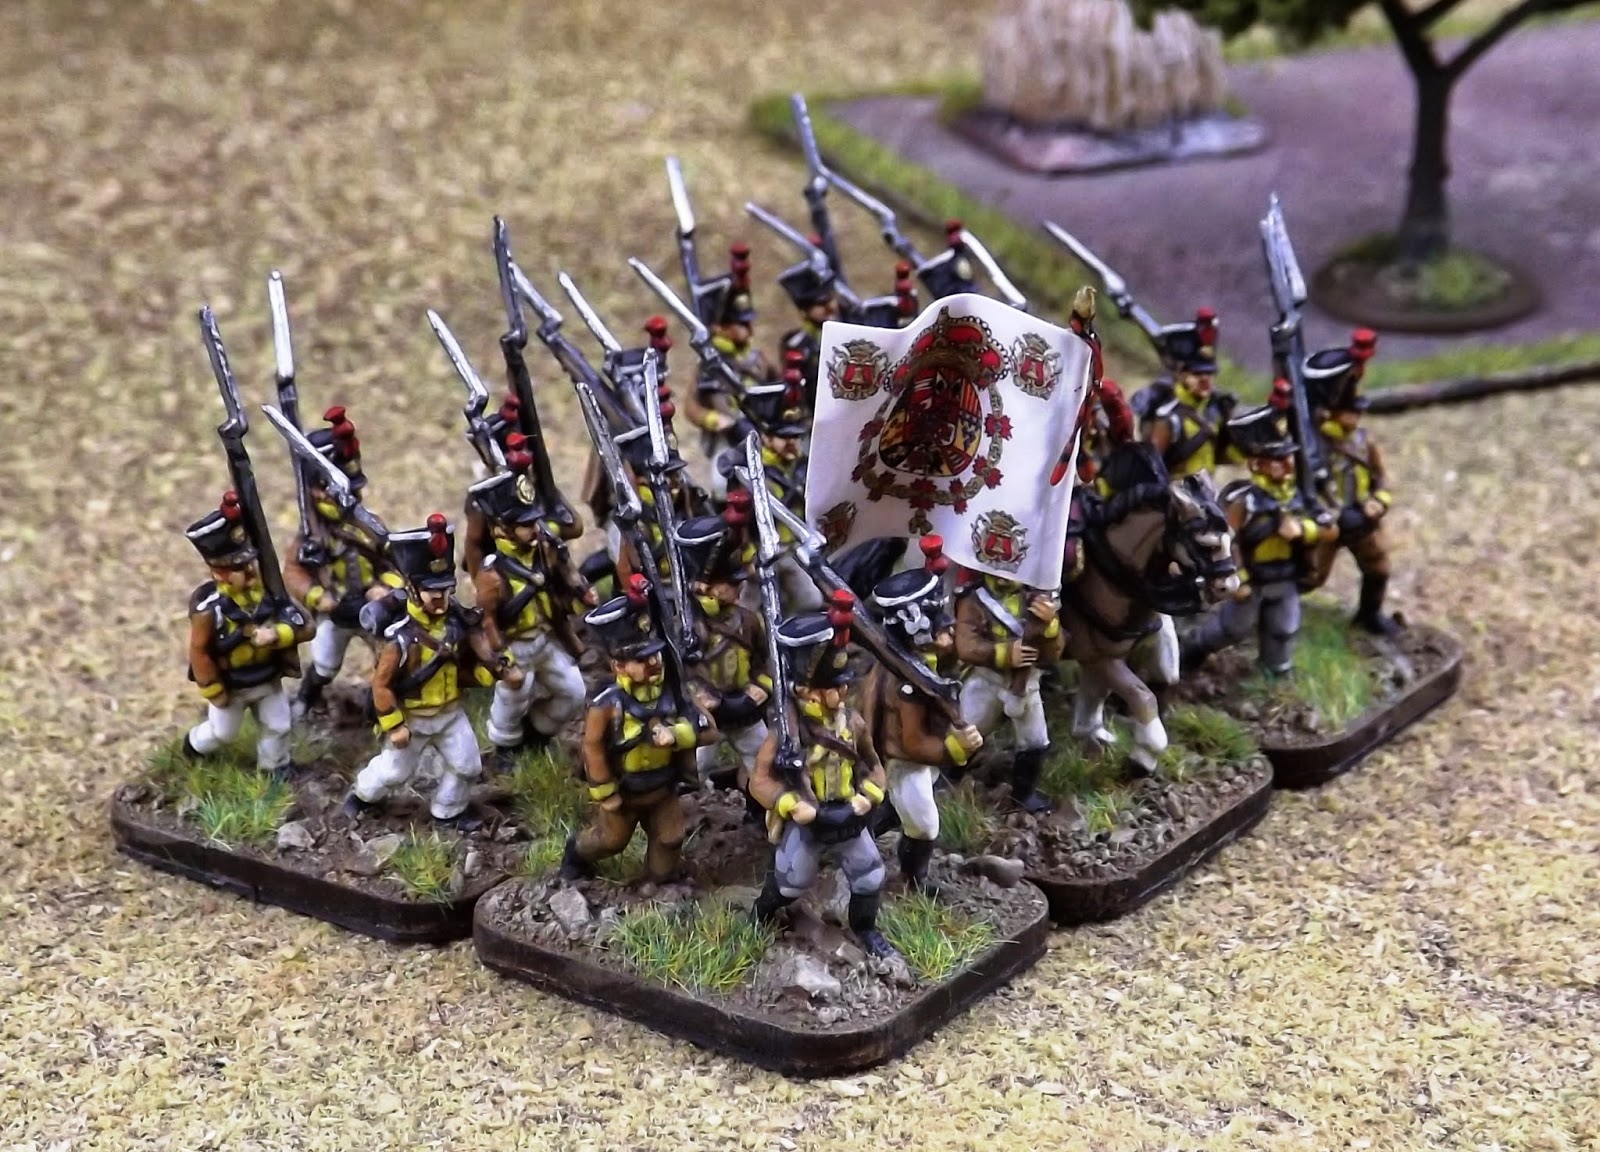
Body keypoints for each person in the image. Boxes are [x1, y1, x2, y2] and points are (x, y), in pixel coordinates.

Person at [345, 515, 523, 823]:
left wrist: (491, 672)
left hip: (450, 713)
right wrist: (395, 725)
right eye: (432, 590)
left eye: (445, 589)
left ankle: (448, 811)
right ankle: (361, 796)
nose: (440, 597)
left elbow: (472, 660)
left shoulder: (457, 623)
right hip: (414, 718)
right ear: (414, 590)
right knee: (394, 772)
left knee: (468, 766)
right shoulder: (401, 639)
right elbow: (381, 685)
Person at [749, 592, 898, 959]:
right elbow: (759, 780)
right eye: (834, 687)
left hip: (848, 814)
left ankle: (865, 929)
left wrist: (868, 796)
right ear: (807, 691)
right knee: (790, 882)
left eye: (843, 685)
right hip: (809, 818)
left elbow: (874, 765)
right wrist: (789, 803)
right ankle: (759, 916)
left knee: (869, 875)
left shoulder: (853, 724)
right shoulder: (786, 734)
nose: (843, 691)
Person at [559, 577, 706, 887]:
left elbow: (707, 730)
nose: (653, 662)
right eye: (641, 659)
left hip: (663, 787)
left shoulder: (675, 692)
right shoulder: (607, 705)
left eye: (655, 654)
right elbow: (593, 747)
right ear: (619, 666)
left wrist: (676, 735)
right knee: (611, 840)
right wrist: (605, 791)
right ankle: (576, 855)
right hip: (625, 790)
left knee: (670, 838)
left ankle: (657, 883)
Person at [1182, 402, 1338, 677]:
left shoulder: (1300, 496)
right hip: (1253, 579)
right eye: (1278, 459)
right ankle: (1193, 651)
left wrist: (1303, 530)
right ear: (1257, 464)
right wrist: (1239, 577)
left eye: (1288, 457)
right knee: (1233, 629)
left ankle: (1276, 670)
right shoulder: (1244, 501)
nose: (1288, 464)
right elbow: (1226, 540)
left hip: (1287, 575)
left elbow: (1330, 529)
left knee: (1284, 628)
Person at [862, 541, 983, 895]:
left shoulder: (920, 665)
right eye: (941, 629)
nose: (949, 633)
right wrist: (956, 749)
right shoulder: (906, 685)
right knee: (925, 826)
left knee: (896, 809)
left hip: (919, 761)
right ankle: (913, 879)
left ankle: (865, 832)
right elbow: (912, 742)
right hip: (905, 762)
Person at [281, 406, 402, 716]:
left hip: (372, 608)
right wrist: (317, 596)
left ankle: (382, 710)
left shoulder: (369, 526)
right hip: (335, 611)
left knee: (389, 658)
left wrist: (385, 588)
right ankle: (305, 700)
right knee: (324, 665)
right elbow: (293, 572)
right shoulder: (311, 535)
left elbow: (395, 563)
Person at [183, 493, 314, 775]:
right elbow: (199, 652)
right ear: (220, 573)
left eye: (249, 562)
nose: (250, 570)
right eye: (239, 567)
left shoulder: (271, 594)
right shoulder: (211, 611)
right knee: (222, 734)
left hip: (267, 677)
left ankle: (273, 769)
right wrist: (214, 690)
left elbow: (306, 627)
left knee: (278, 725)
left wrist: (277, 634)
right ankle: (193, 746)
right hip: (232, 684)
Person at [469, 468, 591, 768]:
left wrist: (582, 593)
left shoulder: (544, 551)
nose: (534, 528)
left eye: (533, 521)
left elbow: (566, 577)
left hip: (546, 639)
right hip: (515, 646)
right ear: (502, 529)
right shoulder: (492, 575)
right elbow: (488, 622)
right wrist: (504, 659)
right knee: (514, 694)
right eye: (524, 524)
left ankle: (537, 734)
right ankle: (505, 746)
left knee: (574, 691)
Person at [1301, 330, 1398, 635]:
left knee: (1378, 567)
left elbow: (1381, 479)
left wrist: (1378, 502)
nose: (1356, 417)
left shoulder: (1363, 443)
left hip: (1360, 517)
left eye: (1358, 412)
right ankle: (1273, 609)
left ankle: (1370, 615)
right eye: (1350, 412)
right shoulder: (1312, 443)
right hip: (1327, 522)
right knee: (1311, 577)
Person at [674, 513, 771, 802]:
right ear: (707, 588)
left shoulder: (748, 621)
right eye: (730, 582)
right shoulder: (688, 629)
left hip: (745, 708)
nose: (739, 587)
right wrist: (700, 697)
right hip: (708, 715)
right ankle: (697, 808)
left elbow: (765, 661)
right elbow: (681, 675)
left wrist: (760, 687)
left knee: (763, 761)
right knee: (696, 767)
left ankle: (758, 807)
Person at [954, 570, 1065, 813]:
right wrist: (1004, 654)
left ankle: (1023, 794)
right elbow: (966, 646)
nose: (1004, 576)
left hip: (1026, 685)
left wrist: (1050, 627)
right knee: (965, 730)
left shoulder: (1038, 600)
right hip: (987, 679)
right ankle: (946, 779)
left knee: (1035, 741)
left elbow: (1053, 654)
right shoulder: (973, 600)